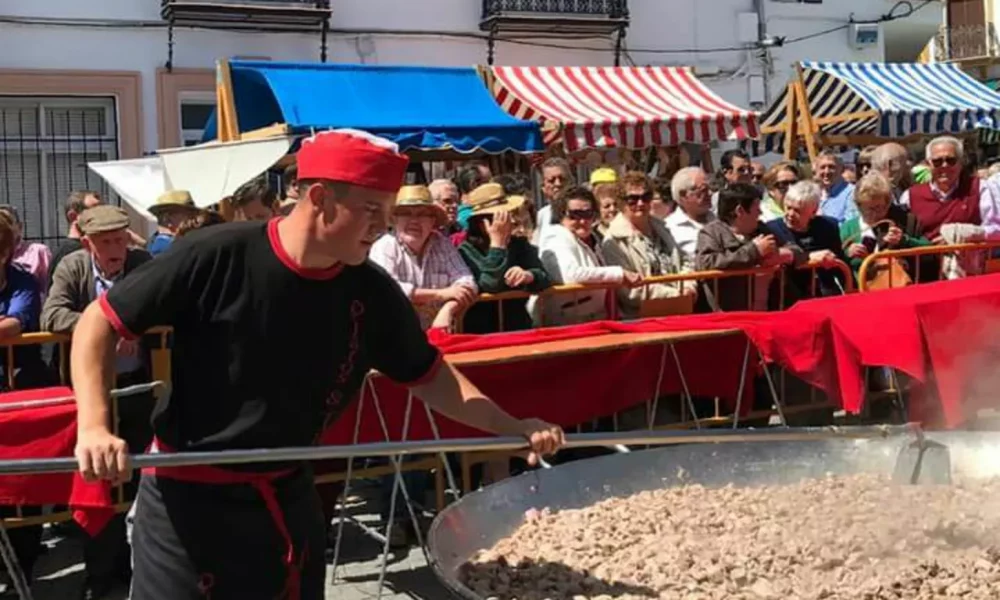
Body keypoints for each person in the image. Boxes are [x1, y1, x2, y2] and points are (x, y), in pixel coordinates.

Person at [69, 129, 564, 600]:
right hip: (184, 498)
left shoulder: (370, 289)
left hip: (287, 492)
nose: (381, 224)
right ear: (320, 198)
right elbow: (99, 323)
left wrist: (512, 426)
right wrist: (93, 426)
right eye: (371, 208)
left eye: (386, 211)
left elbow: (429, 375)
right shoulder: (217, 253)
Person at [40, 205, 154, 599]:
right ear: (88, 243)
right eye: (106, 242)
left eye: (121, 239)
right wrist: (104, 326)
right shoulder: (72, 267)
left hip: (139, 389)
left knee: (140, 482)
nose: (116, 249)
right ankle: (102, 577)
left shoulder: (143, 262)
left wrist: (137, 324)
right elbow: (51, 315)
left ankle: (140, 571)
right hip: (91, 397)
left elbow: (165, 304)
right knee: (99, 486)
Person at [368, 185, 477, 331]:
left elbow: (468, 282)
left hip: (439, 337)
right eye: (406, 213)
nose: (414, 220)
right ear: (394, 219)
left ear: (433, 221)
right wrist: (441, 294)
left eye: (422, 214)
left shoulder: (442, 244)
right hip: (394, 339)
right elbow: (387, 289)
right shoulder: (385, 246)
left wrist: (448, 309)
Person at [534, 186, 639, 326]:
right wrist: (619, 273)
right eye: (574, 215)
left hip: (597, 319)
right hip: (569, 323)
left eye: (587, 214)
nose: (582, 221)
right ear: (561, 214)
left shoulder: (592, 237)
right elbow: (570, 275)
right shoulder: (556, 235)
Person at [696, 183, 805, 312]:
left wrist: (785, 254)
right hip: (733, 315)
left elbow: (797, 250)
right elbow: (706, 263)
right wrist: (753, 251)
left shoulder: (762, 229)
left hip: (772, 311)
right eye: (756, 207)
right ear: (740, 211)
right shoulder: (712, 233)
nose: (760, 212)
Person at [458, 183, 552, 333]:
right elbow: (490, 284)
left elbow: (545, 277)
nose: (511, 222)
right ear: (483, 223)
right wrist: (497, 246)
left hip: (518, 326)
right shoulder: (465, 250)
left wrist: (529, 276)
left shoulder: (519, 244)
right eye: (501, 217)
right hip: (480, 330)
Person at [602, 171, 691, 319]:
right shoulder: (613, 241)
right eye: (632, 199)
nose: (640, 203)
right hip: (642, 318)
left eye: (646, 197)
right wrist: (675, 294)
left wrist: (688, 286)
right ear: (621, 202)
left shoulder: (662, 227)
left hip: (680, 310)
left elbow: (685, 261)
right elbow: (628, 291)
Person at [767, 181, 848, 298]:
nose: (790, 214)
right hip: (788, 296)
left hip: (825, 294)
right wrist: (812, 257)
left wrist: (851, 290)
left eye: (797, 211)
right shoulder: (772, 229)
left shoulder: (828, 226)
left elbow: (840, 263)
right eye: (788, 207)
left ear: (813, 212)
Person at [665, 167, 715, 268]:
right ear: (684, 195)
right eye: (703, 190)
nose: (710, 193)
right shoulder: (669, 229)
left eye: (710, 188)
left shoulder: (718, 220)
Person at [0, 205, 51, 294]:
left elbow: (49, 286)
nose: (4, 228)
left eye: (8, 222)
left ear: (20, 227)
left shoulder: (38, 252)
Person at [531, 157, 574, 246]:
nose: (558, 184)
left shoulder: (582, 210)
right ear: (543, 187)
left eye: (562, 179)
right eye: (551, 180)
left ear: (571, 182)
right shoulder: (541, 215)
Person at [146, 190, 198, 256]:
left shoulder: (158, 243)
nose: (194, 219)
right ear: (167, 218)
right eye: (189, 215)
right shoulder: (169, 249)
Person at [812, 150, 858, 225]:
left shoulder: (852, 193)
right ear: (816, 171)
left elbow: (851, 228)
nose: (826, 172)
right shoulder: (814, 193)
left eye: (831, 167)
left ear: (842, 170)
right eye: (822, 167)